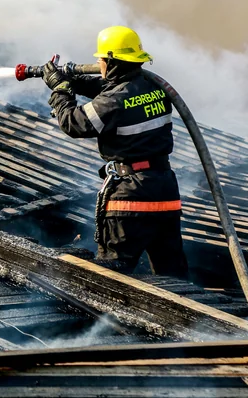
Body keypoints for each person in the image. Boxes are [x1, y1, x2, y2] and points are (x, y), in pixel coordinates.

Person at [42, 26, 189, 278]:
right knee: (172, 275)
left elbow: (73, 123)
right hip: (164, 191)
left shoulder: (114, 101)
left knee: (113, 276)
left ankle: (108, 319)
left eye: (100, 60)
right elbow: (112, 90)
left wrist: (60, 91)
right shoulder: (155, 88)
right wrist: (72, 80)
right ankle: (189, 316)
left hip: (130, 195)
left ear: (111, 62)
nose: (98, 63)